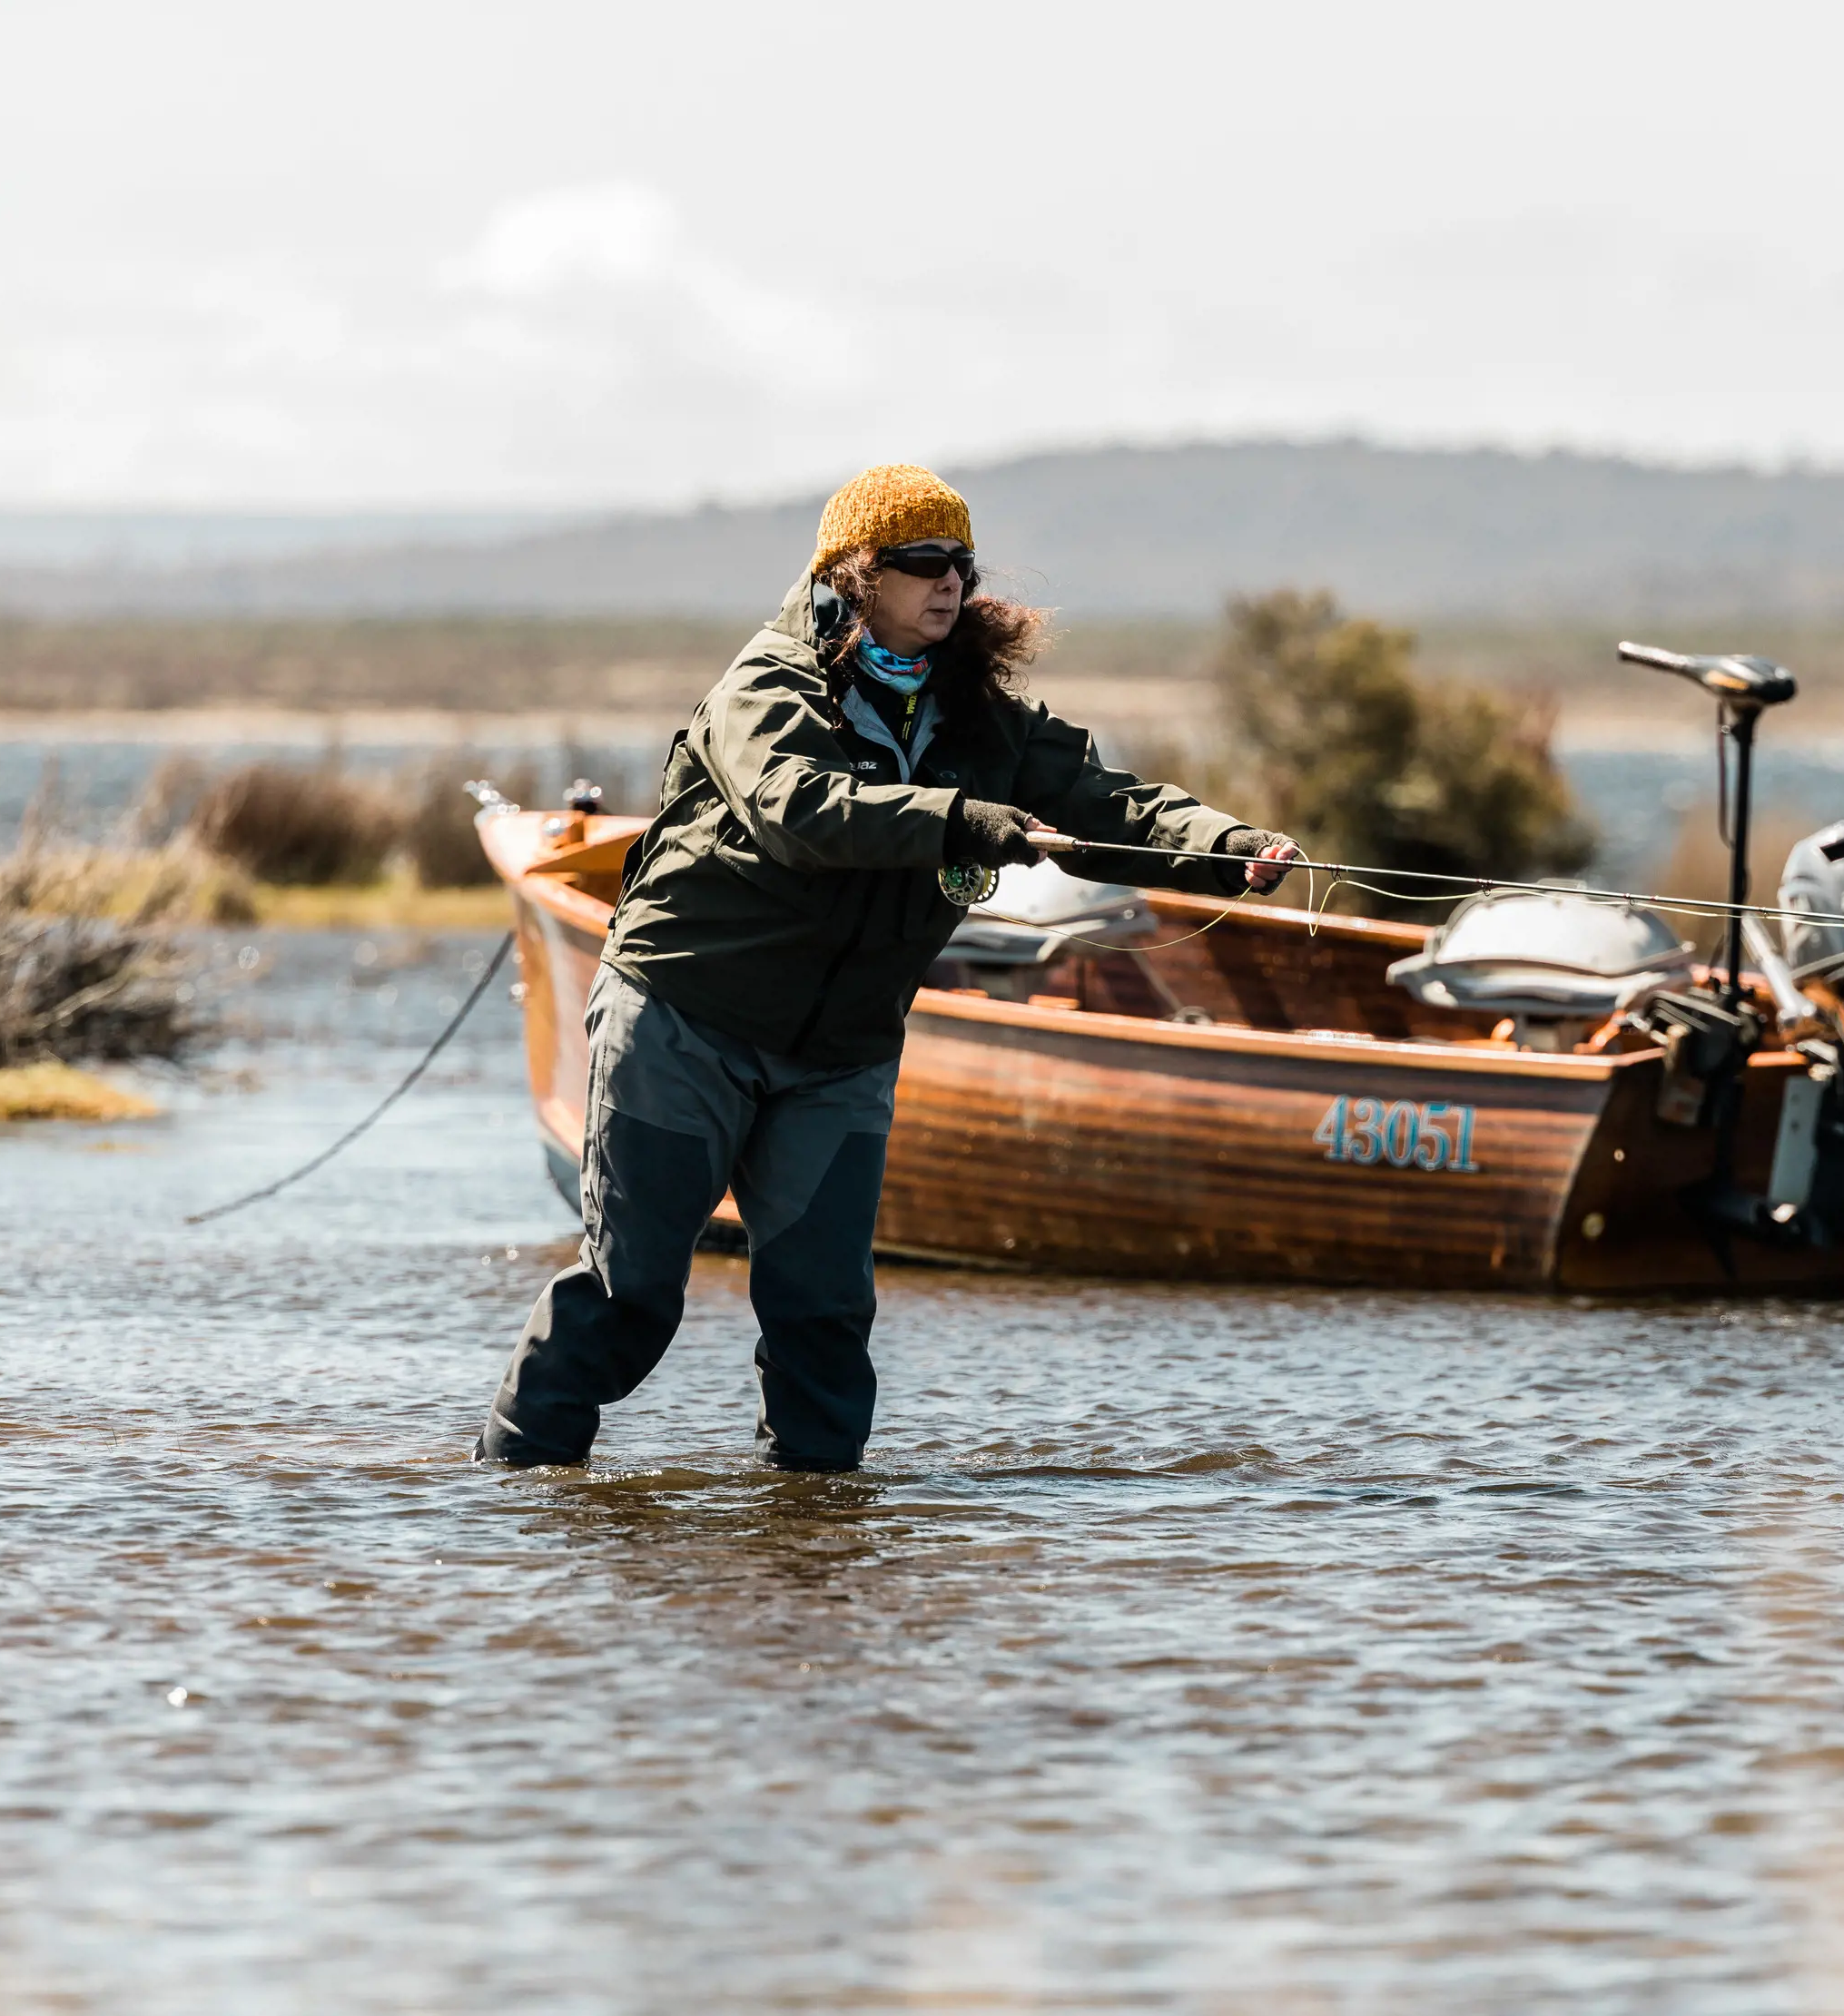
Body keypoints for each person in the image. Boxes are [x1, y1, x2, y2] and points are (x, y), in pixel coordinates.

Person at [476, 464, 1299, 1471]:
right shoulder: (768, 686)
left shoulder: (979, 714)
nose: (948, 582)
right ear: (856, 574)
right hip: (684, 1018)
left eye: (961, 562)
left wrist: (1227, 845)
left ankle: (816, 1547)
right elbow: (798, 807)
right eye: (921, 562)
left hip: (841, 1053)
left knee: (823, 1318)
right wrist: (961, 819)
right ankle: (512, 1501)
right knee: (630, 1297)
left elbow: (1106, 801)